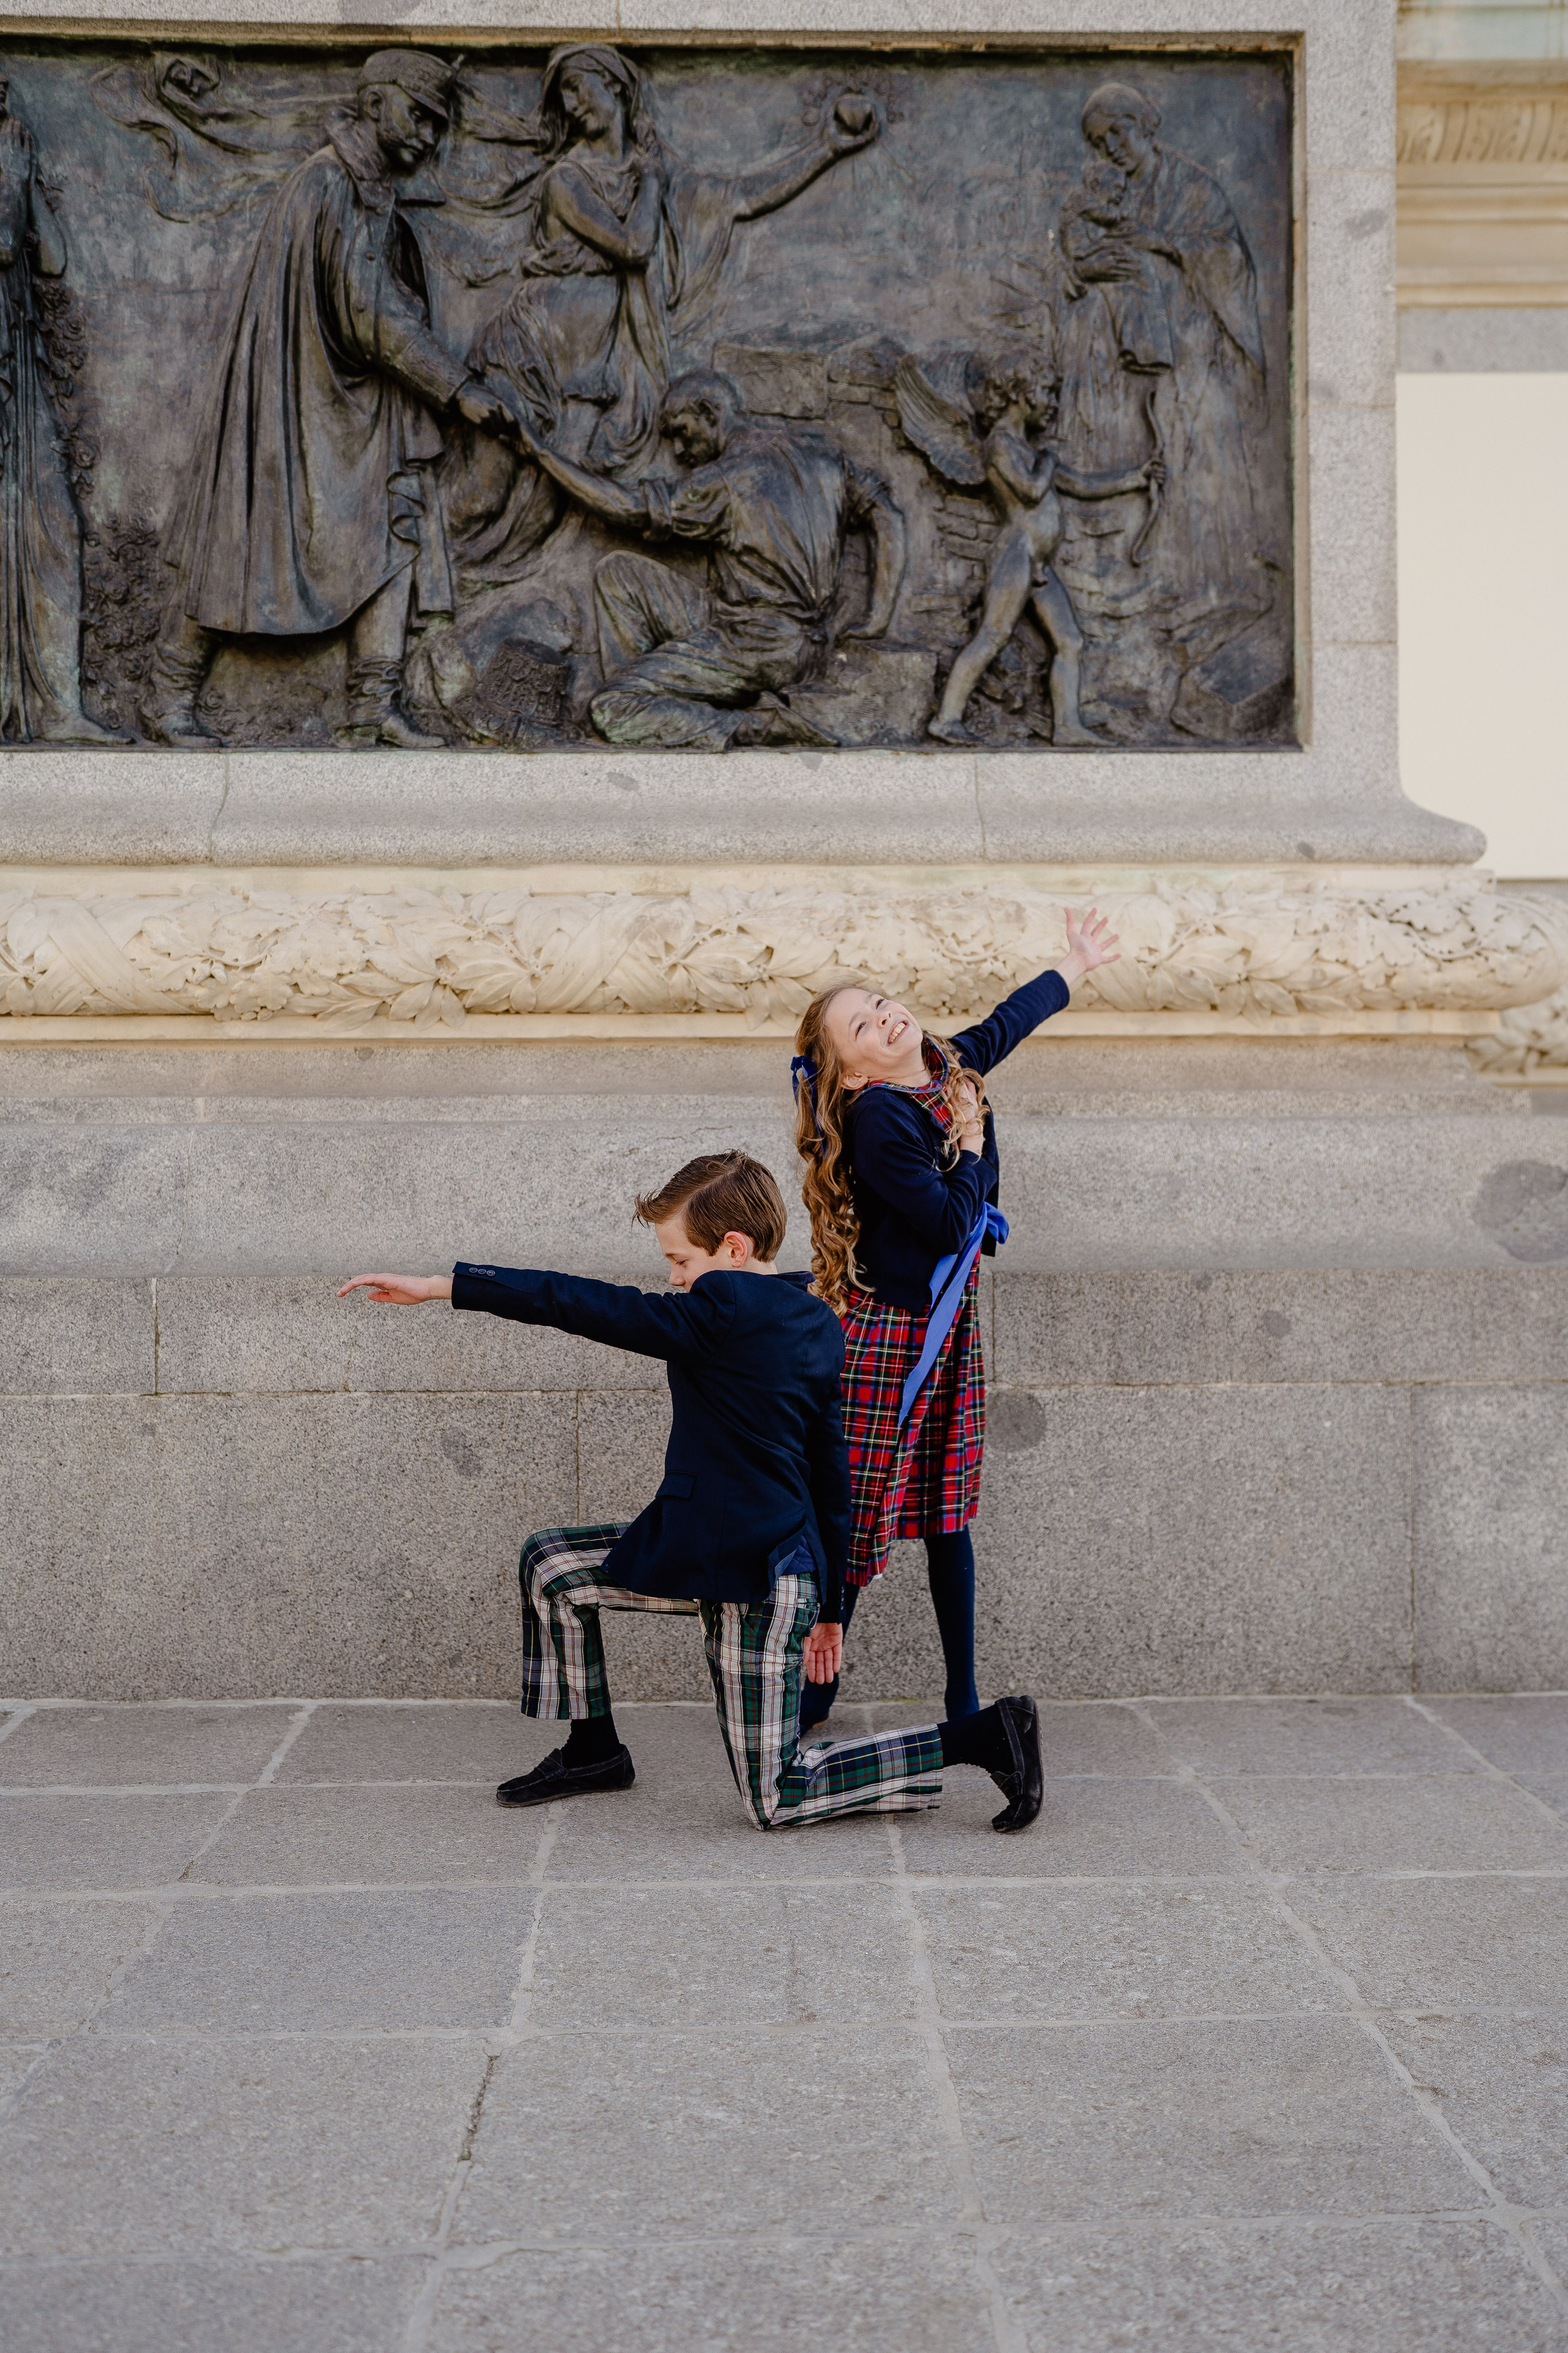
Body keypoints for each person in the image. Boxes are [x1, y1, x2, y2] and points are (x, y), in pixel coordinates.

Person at [337, 1149, 1044, 1833]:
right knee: (553, 1566)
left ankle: (982, 1737)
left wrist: (443, 1285)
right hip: (731, 1556)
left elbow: (583, 1303)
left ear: (733, 1247)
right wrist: (831, 1606)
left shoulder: (721, 1311)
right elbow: (833, 1478)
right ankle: (594, 1751)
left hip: (756, 1589)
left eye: (680, 1260)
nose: (674, 1278)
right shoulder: (817, 1320)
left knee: (777, 1795)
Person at [790, 912, 1121, 1732]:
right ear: (852, 1073)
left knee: (948, 1512)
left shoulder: (945, 1066)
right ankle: (818, 1679)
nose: (887, 1017)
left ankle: (963, 1700)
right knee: (860, 1509)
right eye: (863, 1026)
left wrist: (1074, 962)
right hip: (889, 1335)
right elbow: (944, 1224)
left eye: (880, 1002)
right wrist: (971, 1144)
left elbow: (1012, 1018)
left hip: (946, 1329)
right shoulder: (879, 1121)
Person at [138, 48, 521, 750]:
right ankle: (166, 693)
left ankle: (371, 709)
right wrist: (458, 387)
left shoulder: (364, 187)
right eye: (420, 115)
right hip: (297, 401)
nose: (430, 135)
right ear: (375, 103)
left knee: (392, 535)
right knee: (244, 539)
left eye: (439, 124)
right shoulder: (331, 183)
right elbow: (368, 306)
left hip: (365, 409)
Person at [440, 43, 883, 584]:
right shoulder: (568, 180)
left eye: (583, 86)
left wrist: (825, 149)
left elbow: (738, 199)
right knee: (481, 499)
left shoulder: (654, 170)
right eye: (564, 94)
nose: (574, 103)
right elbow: (633, 247)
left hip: (590, 376)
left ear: (618, 88)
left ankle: (454, 601)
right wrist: (651, 179)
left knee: (547, 508)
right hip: (530, 354)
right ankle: (398, 588)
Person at [505, 367, 906, 749]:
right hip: (748, 623)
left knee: (613, 708)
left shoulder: (725, 481)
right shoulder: (823, 455)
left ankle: (749, 724)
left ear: (710, 414)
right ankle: (664, 700)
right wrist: (880, 613)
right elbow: (886, 513)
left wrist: (542, 455)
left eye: (682, 432)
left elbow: (627, 509)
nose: (679, 451)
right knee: (620, 574)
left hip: (757, 648)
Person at [894, 344, 1160, 747]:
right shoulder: (1000, 446)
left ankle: (1067, 725)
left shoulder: (1030, 451)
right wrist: (1050, 462)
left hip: (1039, 562)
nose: (1053, 402)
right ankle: (947, 718)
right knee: (995, 633)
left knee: (1071, 641)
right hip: (1016, 553)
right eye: (1048, 391)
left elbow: (1080, 485)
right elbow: (1033, 490)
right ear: (1019, 392)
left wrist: (1137, 478)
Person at [0, 71, 120, 742]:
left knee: (56, 526)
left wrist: (25, 178)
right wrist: (11, 179)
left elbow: (51, 257)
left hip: (17, 361)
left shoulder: (10, 160)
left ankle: (58, 707)